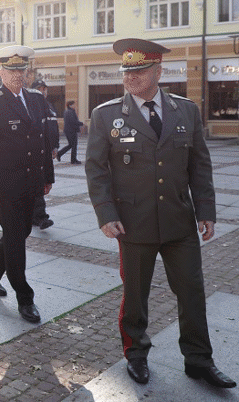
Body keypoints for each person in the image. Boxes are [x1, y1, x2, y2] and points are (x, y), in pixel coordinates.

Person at [84, 38, 236, 389]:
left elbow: (200, 166)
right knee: (136, 295)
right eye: (126, 71)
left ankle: (199, 360)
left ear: (158, 71)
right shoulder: (106, 115)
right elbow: (96, 169)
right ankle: (136, 354)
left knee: (192, 292)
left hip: (179, 222)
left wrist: (207, 210)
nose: (130, 77)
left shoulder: (185, 110)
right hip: (132, 224)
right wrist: (105, 213)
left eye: (138, 71)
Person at [0, 45, 54, 323]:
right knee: (15, 239)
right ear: (1, 72)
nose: (17, 75)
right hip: (4, 186)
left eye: (21, 70)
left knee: (19, 234)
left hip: (31, 182)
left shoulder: (36, 99)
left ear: (27, 71)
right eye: (11, 70)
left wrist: (47, 177)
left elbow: (43, 141)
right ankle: (25, 297)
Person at [31, 79, 58, 230]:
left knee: (43, 182)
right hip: (37, 150)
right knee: (38, 184)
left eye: (45, 89)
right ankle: (40, 217)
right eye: (40, 89)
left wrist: (55, 146)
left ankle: (35, 216)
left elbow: (52, 129)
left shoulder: (50, 106)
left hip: (47, 149)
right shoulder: (33, 106)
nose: (43, 91)